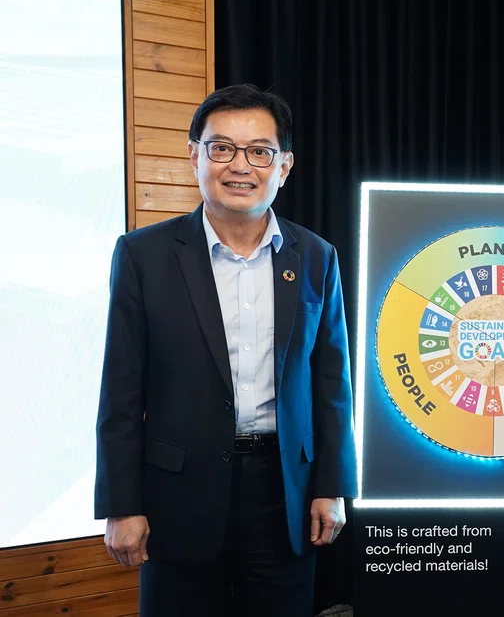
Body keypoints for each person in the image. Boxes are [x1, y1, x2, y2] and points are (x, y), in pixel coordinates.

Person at [94, 83, 358, 617]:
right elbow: (121, 390)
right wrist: (121, 504)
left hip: (283, 489)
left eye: (260, 151)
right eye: (222, 148)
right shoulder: (142, 255)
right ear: (195, 155)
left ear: (284, 165)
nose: (242, 165)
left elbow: (332, 384)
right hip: (179, 493)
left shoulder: (315, 257)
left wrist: (332, 486)